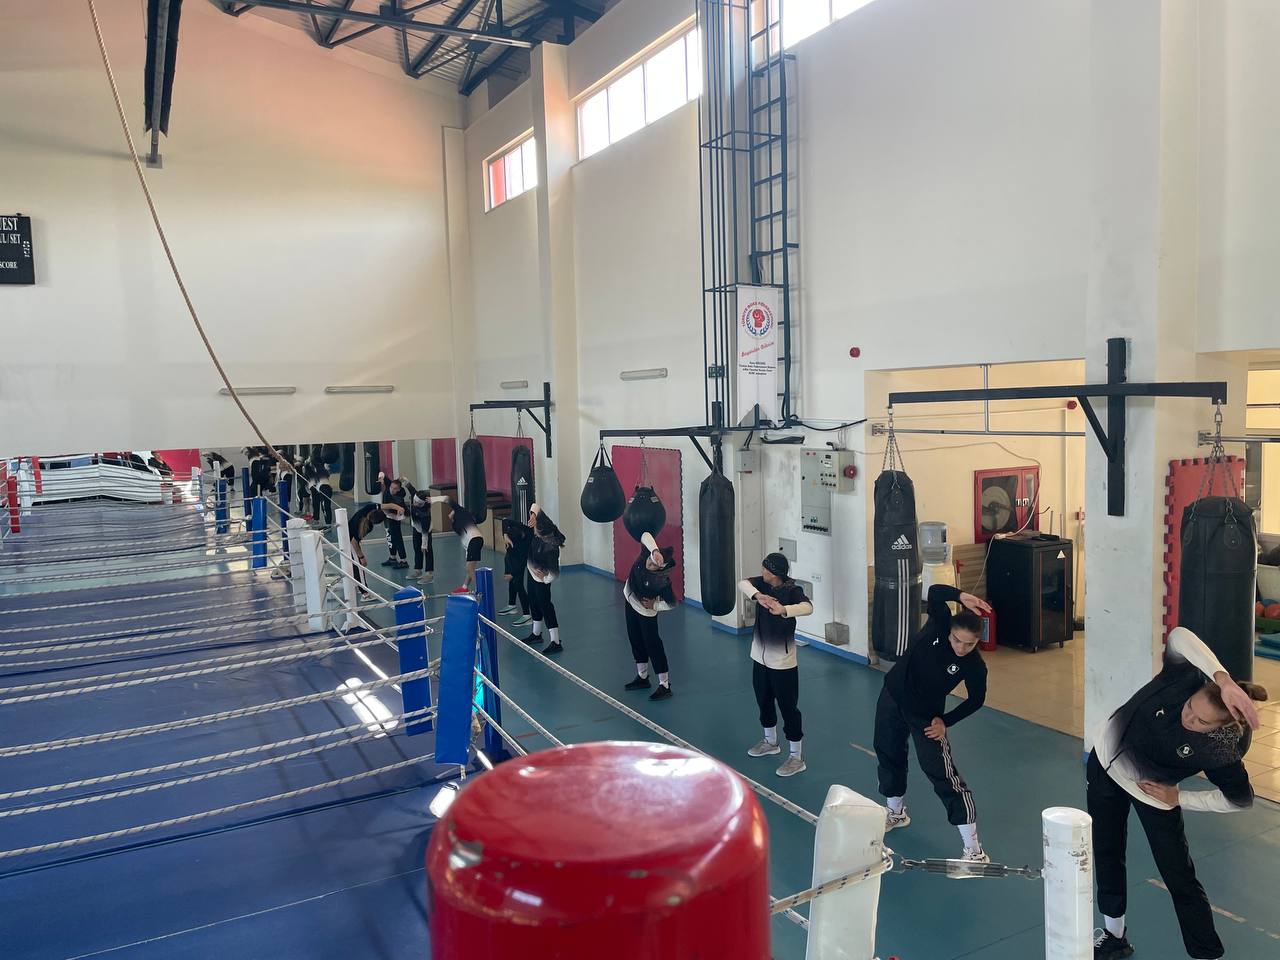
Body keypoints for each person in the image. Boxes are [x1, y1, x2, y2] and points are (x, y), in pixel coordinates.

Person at [1089, 626, 1267, 960]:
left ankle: (1206, 953)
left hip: (1154, 795)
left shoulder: (1219, 749)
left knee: (1179, 876)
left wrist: (1180, 798)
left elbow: (1241, 800)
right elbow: (1180, 636)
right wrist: (1224, 679)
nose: (1189, 719)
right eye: (1190, 709)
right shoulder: (1182, 678)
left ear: (1219, 730)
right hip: (1103, 766)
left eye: (1201, 722)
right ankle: (1114, 937)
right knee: (1106, 851)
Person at [874, 583, 992, 863]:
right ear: (950, 631)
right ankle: (896, 813)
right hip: (892, 696)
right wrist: (961, 596)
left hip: (926, 716)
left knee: (941, 774)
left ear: (977, 641)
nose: (961, 648)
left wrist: (945, 721)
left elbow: (977, 700)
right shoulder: (939, 624)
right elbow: (936, 591)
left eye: (969, 644)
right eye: (957, 640)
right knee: (888, 752)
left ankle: (974, 850)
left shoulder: (974, 665)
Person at [738, 553, 813, 778]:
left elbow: (807, 607)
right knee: (763, 699)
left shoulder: (792, 591)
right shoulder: (762, 585)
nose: (762, 572)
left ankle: (796, 757)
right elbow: (742, 583)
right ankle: (770, 742)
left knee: (788, 707)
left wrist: (784, 610)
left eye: (765, 569)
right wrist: (758, 596)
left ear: (774, 573)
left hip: (782, 663)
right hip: (759, 658)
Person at [623, 531, 677, 700]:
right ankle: (642, 677)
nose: (649, 563)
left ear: (659, 570)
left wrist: (655, 605)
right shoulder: (646, 554)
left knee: (652, 644)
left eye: (653, 565)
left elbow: (672, 603)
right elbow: (645, 535)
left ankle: (664, 685)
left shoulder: (662, 581)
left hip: (646, 612)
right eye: (650, 559)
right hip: (630, 600)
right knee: (635, 638)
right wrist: (654, 551)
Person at [524, 503, 566, 655]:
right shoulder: (540, 529)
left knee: (545, 605)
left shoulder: (550, 546)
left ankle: (556, 641)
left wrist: (545, 577)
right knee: (533, 601)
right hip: (531, 572)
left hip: (541, 579)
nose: (534, 531)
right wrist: (534, 515)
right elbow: (535, 506)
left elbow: (554, 572)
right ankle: (536, 634)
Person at [444, 499, 484, 592]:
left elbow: (452, 504)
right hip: (474, 542)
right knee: (470, 568)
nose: (450, 514)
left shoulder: (462, 519)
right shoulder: (458, 524)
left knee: (469, 568)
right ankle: (465, 587)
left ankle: (481, 589)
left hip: (474, 541)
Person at [346, 501, 387, 592]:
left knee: (354, 564)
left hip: (347, 537)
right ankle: (365, 592)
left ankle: (356, 585)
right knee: (359, 566)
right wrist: (362, 557)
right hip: (350, 542)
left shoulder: (365, 510)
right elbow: (354, 543)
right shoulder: (368, 527)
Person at [500, 516, 533, 626]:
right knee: (512, 582)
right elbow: (505, 520)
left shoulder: (525, 540)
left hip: (521, 560)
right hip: (513, 558)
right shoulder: (516, 526)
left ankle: (527, 615)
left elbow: (521, 562)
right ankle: (511, 605)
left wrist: (511, 573)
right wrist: (505, 536)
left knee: (518, 584)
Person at [404, 484, 435, 583]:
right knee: (416, 548)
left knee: (427, 550)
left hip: (425, 531)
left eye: (417, 502)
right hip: (416, 528)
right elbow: (412, 490)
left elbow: (425, 532)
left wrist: (424, 544)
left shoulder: (425, 515)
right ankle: (418, 570)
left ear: (422, 504)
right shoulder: (415, 498)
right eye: (414, 500)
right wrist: (406, 482)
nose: (414, 503)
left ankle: (429, 574)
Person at [378, 473, 409, 569]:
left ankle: (403, 560)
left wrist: (399, 511)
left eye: (395, 489)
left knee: (397, 538)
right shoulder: (389, 485)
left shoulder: (399, 496)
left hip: (394, 517)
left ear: (399, 489)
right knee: (390, 537)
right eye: (391, 487)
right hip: (387, 515)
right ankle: (392, 558)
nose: (392, 490)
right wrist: (381, 476)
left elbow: (399, 509)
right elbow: (383, 474)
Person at [311, 462, 334, 528]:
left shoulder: (319, 470)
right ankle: (327, 524)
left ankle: (328, 525)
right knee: (325, 507)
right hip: (324, 488)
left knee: (325, 507)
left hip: (324, 488)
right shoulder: (320, 471)